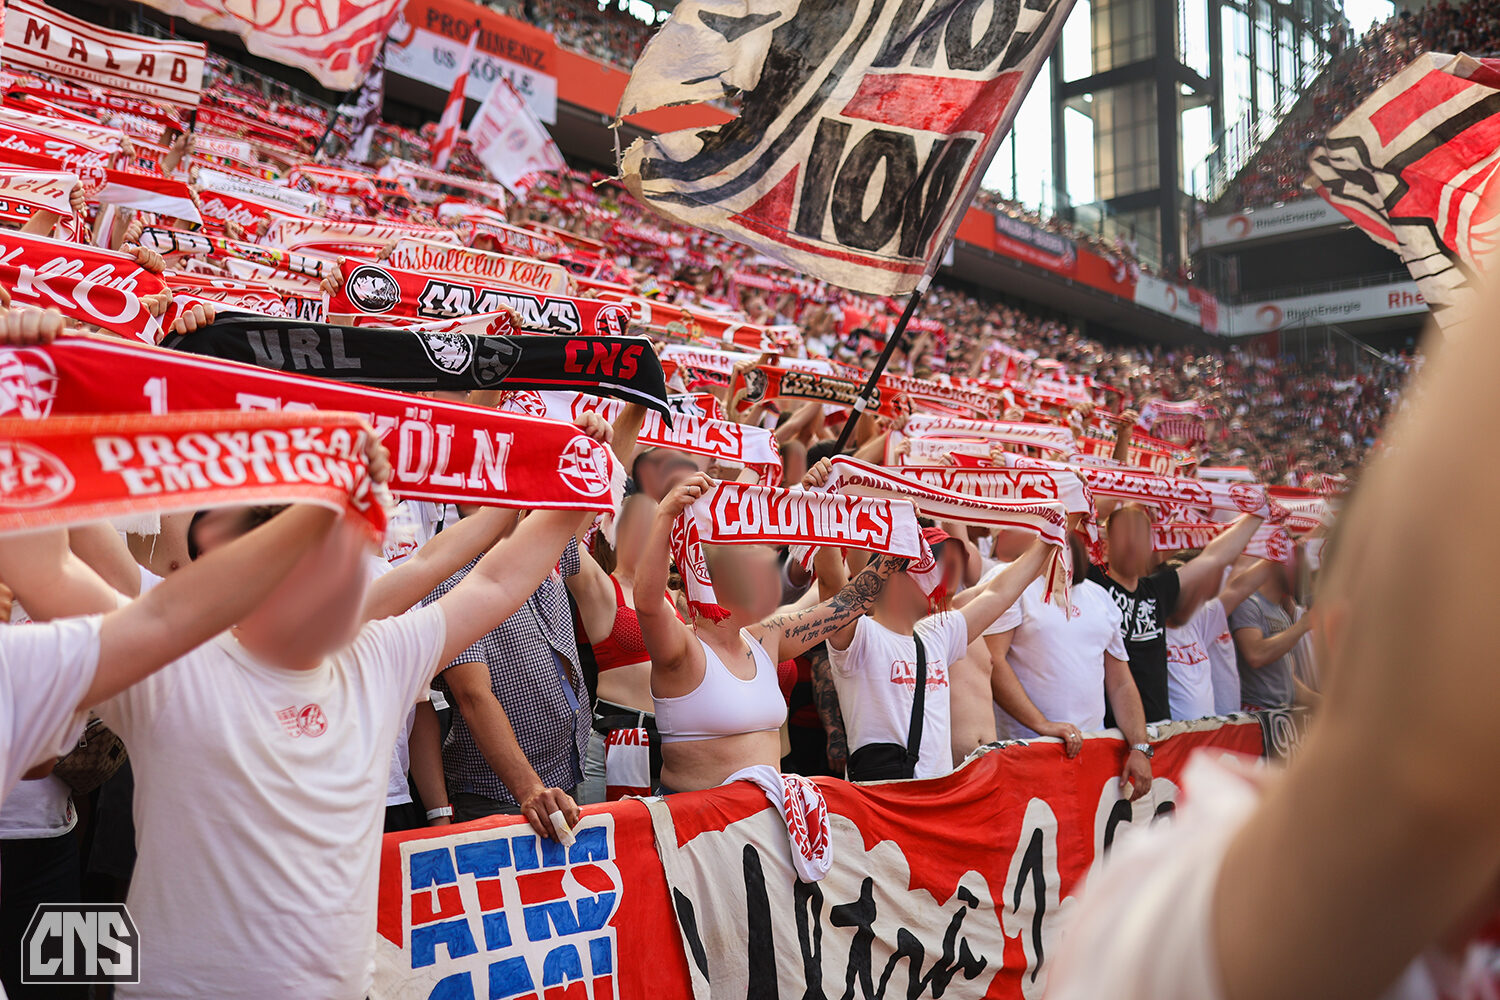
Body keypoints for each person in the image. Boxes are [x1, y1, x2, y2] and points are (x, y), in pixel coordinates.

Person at [0, 408, 616, 999]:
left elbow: (494, 580)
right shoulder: (169, 665)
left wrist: (572, 477)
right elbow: (46, 568)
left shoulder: (375, 658)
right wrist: (22, 402)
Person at [1048, 260, 1499, 1000]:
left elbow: (1225, 561)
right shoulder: (1173, 910)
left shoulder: (1163, 592)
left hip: (1156, 736)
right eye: (1142, 522)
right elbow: (1425, 751)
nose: (1157, 529)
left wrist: (1256, 515)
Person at [638, 472, 906, 793]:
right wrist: (665, 516)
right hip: (698, 832)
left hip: (766, 825)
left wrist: (897, 544)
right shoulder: (683, 649)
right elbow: (648, 603)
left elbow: (848, 604)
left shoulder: (766, 636)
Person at [815, 516, 1055, 781]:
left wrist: (1050, 535)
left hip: (941, 801)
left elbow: (1000, 592)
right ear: (897, 573)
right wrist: (825, 504)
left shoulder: (938, 633)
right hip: (882, 806)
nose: (949, 573)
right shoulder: (859, 635)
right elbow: (830, 583)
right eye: (937, 564)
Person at [985, 531, 1154, 800]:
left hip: (1093, 755)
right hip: (1028, 754)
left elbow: (1120, 681)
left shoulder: (1100, 596)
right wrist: (1042, 724)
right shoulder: (1010, 581)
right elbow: (993, 661)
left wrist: (1139, 746)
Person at [1090, 505, 1264, 723]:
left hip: (1162, 730)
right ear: (1106, 546)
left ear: (1149, 546)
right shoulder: (1092, 585)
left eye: (1140, 535)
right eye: (1125, 535)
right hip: (1111, 732)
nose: (1133, 543)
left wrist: (1257, 515)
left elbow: (1214, 557)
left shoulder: (1157, 590)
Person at [1164, 558, 1278, 720]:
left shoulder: (1198, 621)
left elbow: (1240, 588)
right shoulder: (1150, 633)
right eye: (1188, 588)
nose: (1195, 594)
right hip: (1177, 736)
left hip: (1212, 731)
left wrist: (1279, 551)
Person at [1230, 557, 1319, 711]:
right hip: (1255, 718)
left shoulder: (1281, 613)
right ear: (1276, 564)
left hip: (1279, 716)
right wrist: (1303, 625)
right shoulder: (1248, 603)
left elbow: (1289, 683)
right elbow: (1255, 655)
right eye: (1297, 564)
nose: (1303, 574)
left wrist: (1325, 704)